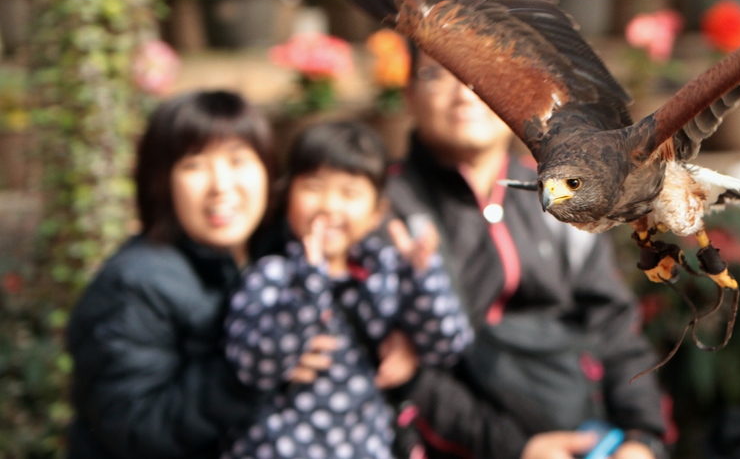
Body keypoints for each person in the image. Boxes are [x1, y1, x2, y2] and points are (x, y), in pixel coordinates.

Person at [386, 51, 672, 459]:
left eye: (482, 75)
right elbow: (405, 366)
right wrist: (516, 450)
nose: (465, 94)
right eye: (437, 75)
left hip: (587, 435)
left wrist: (641, 438)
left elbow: (612, 325)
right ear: (409, 95)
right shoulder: (386, 208)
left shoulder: (563, 191)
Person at [221, 119, 473, 459]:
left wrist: (422, 275)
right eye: (313, 186)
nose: (329, 205)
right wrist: (308, 285)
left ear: (377, 212)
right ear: (286, 195)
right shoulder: (271, 275)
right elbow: (252, 365)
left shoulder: (386, 271)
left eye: (350, 192)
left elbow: (447, 343)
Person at [66, 90, 280, 459]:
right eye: (195, 164)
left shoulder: (269, 261)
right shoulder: (135, 284)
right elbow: (132, 427)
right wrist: (249, 373)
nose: (221, 185)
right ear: (160, 182)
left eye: (238, 160)